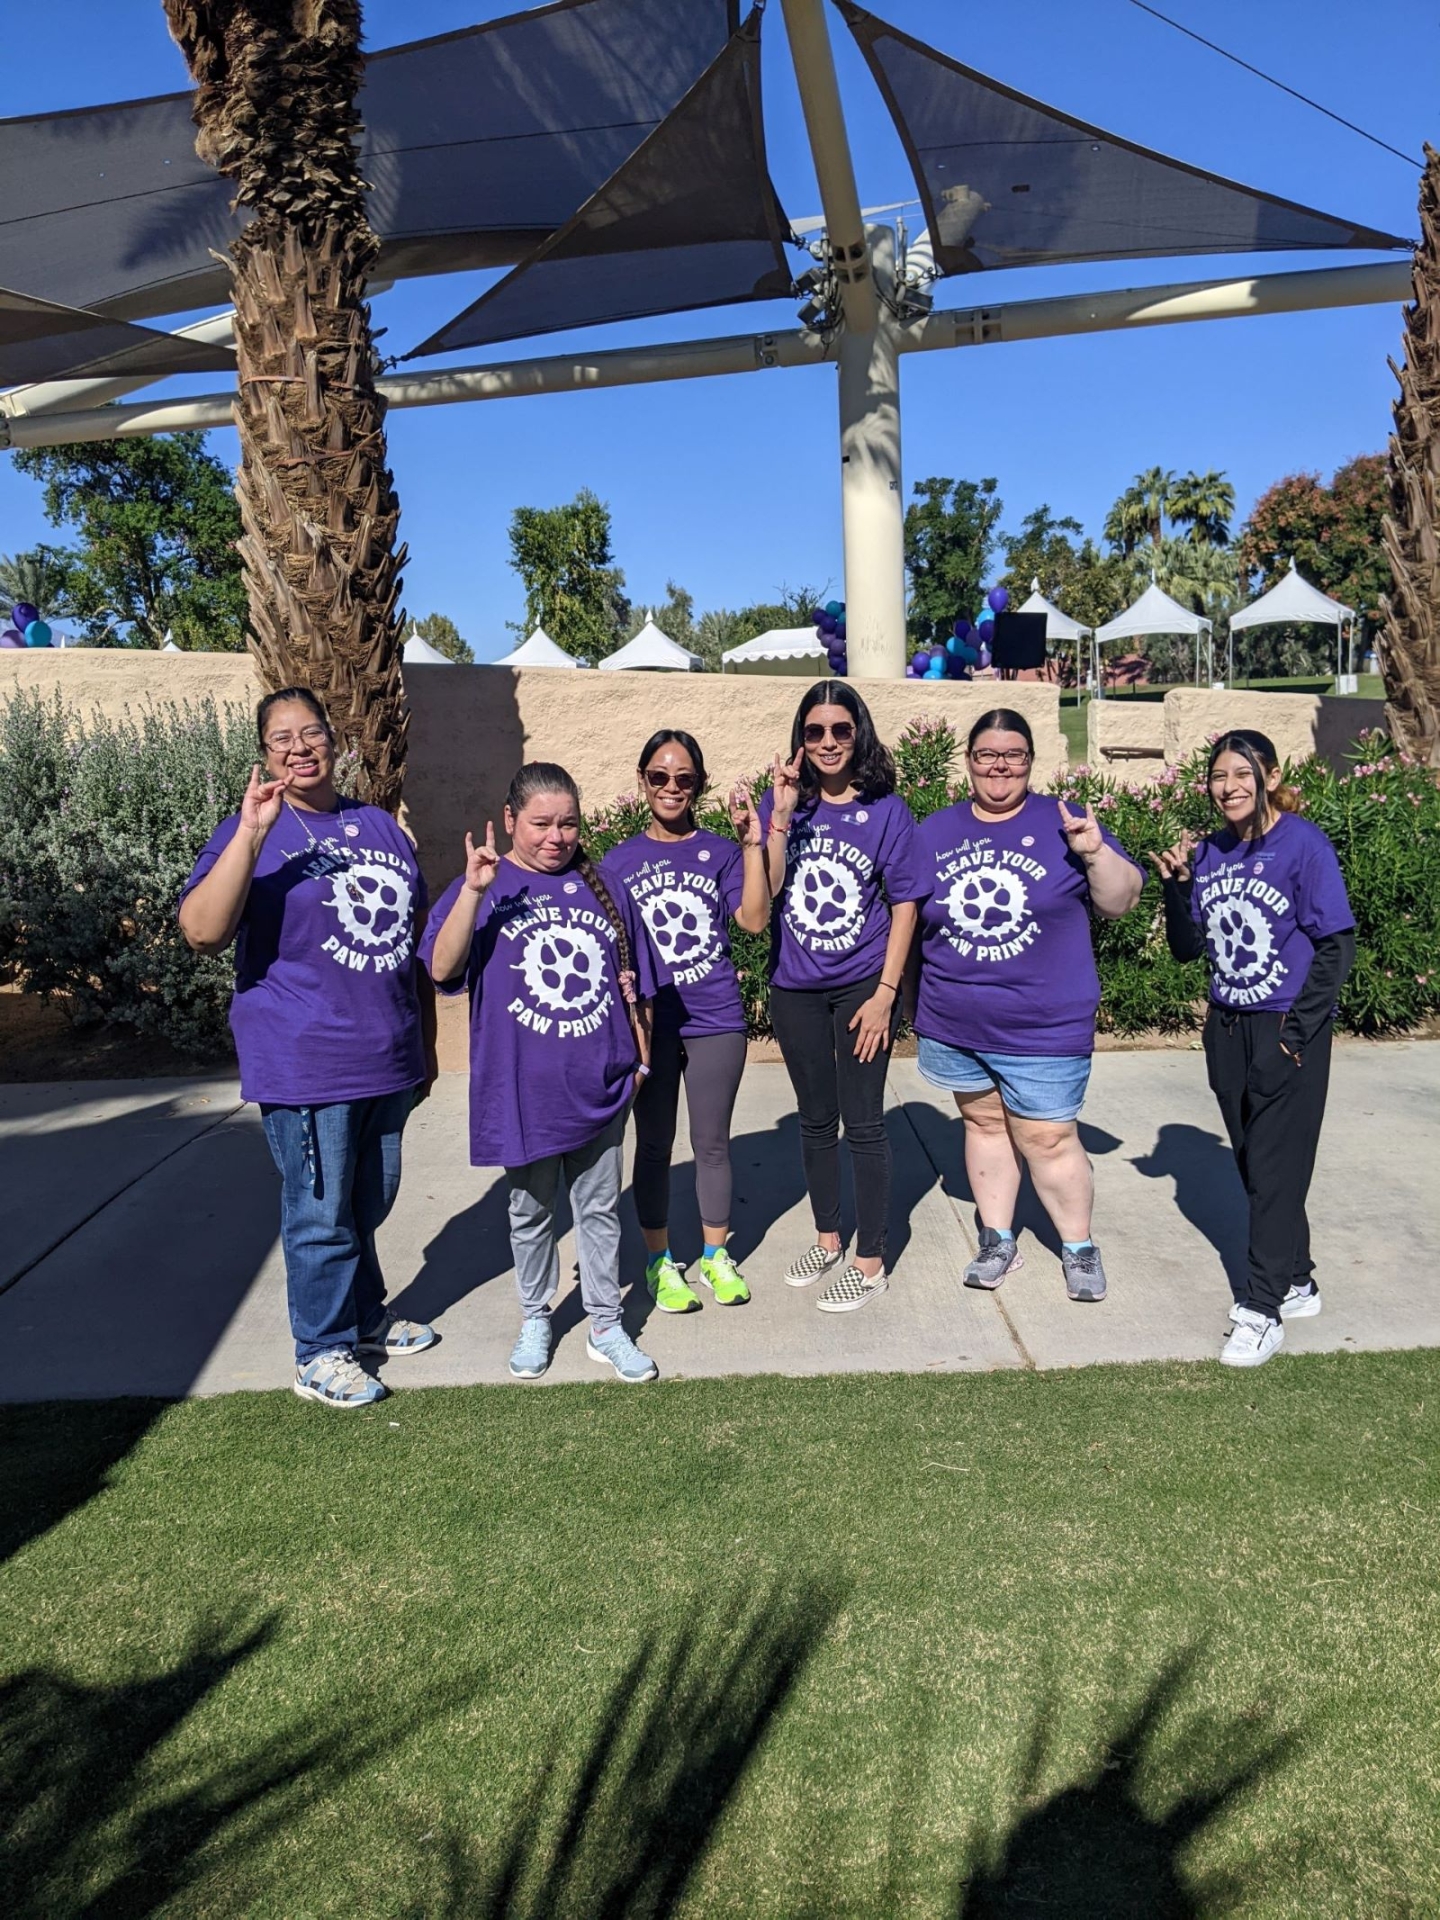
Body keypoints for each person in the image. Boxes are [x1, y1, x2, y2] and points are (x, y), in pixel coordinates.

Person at [179, 687, 435, 1410]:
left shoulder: (379, 825)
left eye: (311, 732)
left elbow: (408, 945)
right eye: (280, 737)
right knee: (319, 1213)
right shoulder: (253, 831)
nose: (299, 747)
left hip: (387, 1057)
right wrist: (252, 835)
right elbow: (201, 931)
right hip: (305, 1060)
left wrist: (426, 1049)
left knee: (366, 1201)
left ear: (334, 739)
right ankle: (319, 1351)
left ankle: (365, 1320)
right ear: (265, 753)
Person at [420, 762, 660, 1383]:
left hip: (601, 1088)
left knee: (600, 1210)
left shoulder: (604, 887)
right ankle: (537, 1316)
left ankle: (606, 1324)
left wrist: (641, 1060)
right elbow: (443, 970)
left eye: (569, 824)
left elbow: (640, 988)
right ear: (509, 821)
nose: (556, 837)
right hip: (522, 1091)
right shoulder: (487, 887)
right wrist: (473, 890)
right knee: (530, 1212)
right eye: (541, 824)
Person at [906, 709, 1144, 1303]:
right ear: (969, 760)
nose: (999, 765)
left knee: (1048, 1138)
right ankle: (997, 1238)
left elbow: (1121, 901)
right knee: (984, 1124)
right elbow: (908, 918)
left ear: (1030, 762)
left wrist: (1093, 852)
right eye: (987, 754)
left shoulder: (1064, 821)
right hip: (956, 1020)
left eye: (1013, 754)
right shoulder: (934, 831)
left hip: (1043, 1023)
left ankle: (1079, 1248)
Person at [1153, 729, 1354, 1368]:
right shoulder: (1210, 852)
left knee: (1272, 1171)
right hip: (1227, 1029)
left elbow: (1335, 946)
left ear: (1267, 775)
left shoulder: (1303, 845)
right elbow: (1189, 949)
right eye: (1218, 776)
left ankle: (1262, 1309)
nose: (1229, 786)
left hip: (1285, 1028)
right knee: (1256, 1168)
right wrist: (1178, 886)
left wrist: (1298, 1034)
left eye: (1242, 773)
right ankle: (1295, 1278)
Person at [760, 680, 926, 1312]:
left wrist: (887, 992)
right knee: (813, 1118)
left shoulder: (887, 809)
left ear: (859, 734)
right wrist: (778, 816)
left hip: (862, 986)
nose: (827, 743)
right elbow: (771, 888)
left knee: (863, 1121)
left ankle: (871, 1258)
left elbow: (905, 903)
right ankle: (828, 1236)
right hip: (795, 988)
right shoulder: (787, 808)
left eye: (840, 731)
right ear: (800, 738)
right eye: (814, 731)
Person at [601, 731, 770, 1312]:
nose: (671, 788)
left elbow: (751, 920)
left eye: (684, 778)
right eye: (659, 776)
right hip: (651, 1022)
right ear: (642, 780)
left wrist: (753, 845)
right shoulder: (618, 862)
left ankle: (716, 1256)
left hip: (715, 1015)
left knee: (712, 1143)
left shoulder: (721, 852)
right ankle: (658, 1261)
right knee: (653, 1143)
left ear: (699, 784)